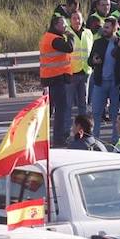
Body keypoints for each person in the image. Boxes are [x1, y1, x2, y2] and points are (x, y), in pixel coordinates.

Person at [38, 14, 75, 147]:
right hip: (56, 79)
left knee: (49, 111)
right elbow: (69, 48)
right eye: (63, 24)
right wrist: (71, 36)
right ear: (56, 25)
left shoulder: (47, 37)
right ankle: (58, 139)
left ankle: (41, 138)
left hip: (50, 79)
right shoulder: (55, 39)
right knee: (60, 111)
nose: (66, 26)